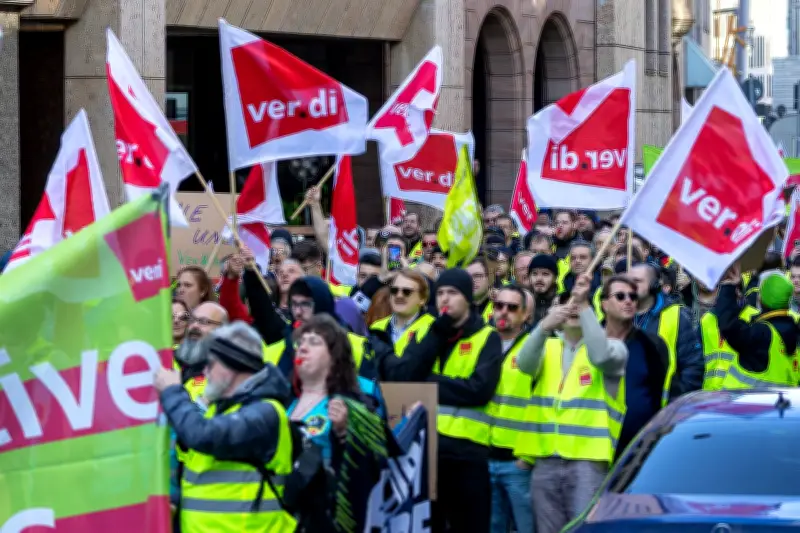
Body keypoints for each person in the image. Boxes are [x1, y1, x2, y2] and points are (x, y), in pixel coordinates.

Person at [381, 268, 503, 533]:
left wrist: (428, 382)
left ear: (468, 299)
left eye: (453, 293)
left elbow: (478, 390)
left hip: (467, 455)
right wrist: (436, 334)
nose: (445, 299)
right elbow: (404, 378)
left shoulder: (487, 337)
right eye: (441, 293)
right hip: (426, 453)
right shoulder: (431, 332)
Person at [156, 321, 297, 532]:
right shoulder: (218, 409)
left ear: (233, 366)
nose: (205, 371)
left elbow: (202, 435)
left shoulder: (265, 413)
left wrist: (173, 392)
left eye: (211, 364)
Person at [515, 275, 627, 533]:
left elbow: (600, 356)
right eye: (565, 304)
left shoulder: (613, 349)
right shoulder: (547, 347)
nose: (572, 307)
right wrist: (544, 326)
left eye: (577, 304)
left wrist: (584, 303)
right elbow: (524, 363)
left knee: (584, 530)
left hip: (587, 463)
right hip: (546, 460)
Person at [289, 314, 382, 465]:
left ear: (333, 357)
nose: (303, 348)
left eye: (314, 342)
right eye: (300, 342)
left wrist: (344, 434)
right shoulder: (286, 400)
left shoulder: (352, 405)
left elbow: (370, 467)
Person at [599, 275, 674, 456]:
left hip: (637, 449)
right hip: (594, 447)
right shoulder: (589, 342)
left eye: (633, 297)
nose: (628, 301)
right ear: (604, 304)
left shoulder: (652, 345)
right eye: (620, 296)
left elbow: (665, 393)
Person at [486, 285, 535, 533]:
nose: (504, 312)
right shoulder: (481, 344)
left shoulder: (538, 348)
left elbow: (543, 406)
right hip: (485, 456)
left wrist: (527, 459)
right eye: (499, 305)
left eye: (512, 307)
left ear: (526, 314)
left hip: (518, 463)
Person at [629, 262, 703, 401]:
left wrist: (676, 400)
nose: (630, 286)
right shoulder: (618, 314)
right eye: (628, 281)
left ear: (654, 285)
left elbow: (692, 365)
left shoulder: (676, 315)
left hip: (663, 409)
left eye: (637, 281)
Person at [716, 264, 799, 388]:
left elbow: (728, 326)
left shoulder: (762, 334)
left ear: (761, 298)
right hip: (780, 406)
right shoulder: (795, 332)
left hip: (747, 405)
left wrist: (728, 286)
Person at [370, 269, 436, 363]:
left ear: (422, 299)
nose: (399, 295)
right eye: (394, 290)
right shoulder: (376, 327)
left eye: (407, 291)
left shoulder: (433, 328)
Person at [528, 254, 559, 326]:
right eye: (534, 274)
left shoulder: (562, 303)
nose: (539, 278)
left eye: (545, 274)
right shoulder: (522, 303)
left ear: (555, 278)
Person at [467, 257, 494, 323]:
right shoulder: (458, 308)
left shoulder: (502, 306)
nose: (472, 281)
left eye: (477, 276)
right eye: (467, 276)